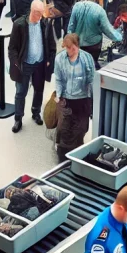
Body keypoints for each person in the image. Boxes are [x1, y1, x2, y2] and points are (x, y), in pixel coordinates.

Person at [8, 0, 57, 133]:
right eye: (37, 13)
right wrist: (15, 63)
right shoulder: (19, 25)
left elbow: (52, 44)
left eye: (41, 13)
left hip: (40, 63)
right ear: (31, 10)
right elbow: (12, 48)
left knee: (39, 90)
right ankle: (18, 118)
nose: (40, 16)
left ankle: (36, 112)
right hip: (25, 64)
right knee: (20, 92)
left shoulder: (45, 24)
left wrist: (50, 59)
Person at [54, 33, 97, 162]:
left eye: (71, 48)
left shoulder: (87, 58)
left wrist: (93, 102)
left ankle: (77, 155)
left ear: (77, 46)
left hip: (83, 99)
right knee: (65, 128)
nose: (69, 51)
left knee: (81, 128)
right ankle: (62, 157)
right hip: (67, 99)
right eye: (67, 48)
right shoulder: (60, 58)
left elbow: (91, 80)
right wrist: (59, 95)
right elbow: (59, 79)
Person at [68, 0, 121, 64]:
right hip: (93, 44)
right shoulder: (99, 10)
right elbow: (107, 29)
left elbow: (71, 25)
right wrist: (119, 38)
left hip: (78, 43)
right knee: (92, 64)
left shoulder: (77, 6)